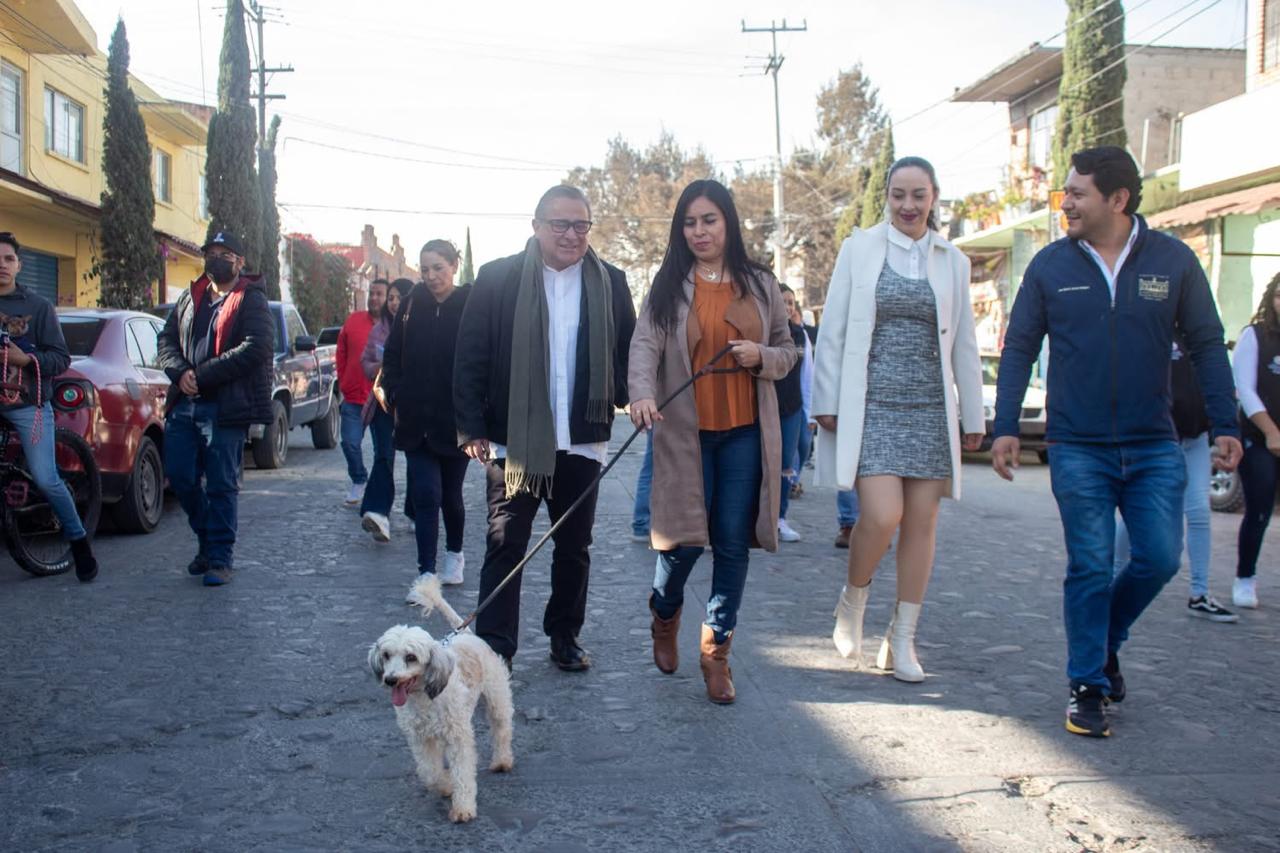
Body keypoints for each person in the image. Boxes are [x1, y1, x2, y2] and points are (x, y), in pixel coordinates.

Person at [992, 146, 1241, 738]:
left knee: (1159, 557)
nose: (1066, 203)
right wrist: (1005, 426)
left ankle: (1105, 642)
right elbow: (1019, 347)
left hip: (1155, 442)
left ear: (1117, 200)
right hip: (1077, 443)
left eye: (1076, 193)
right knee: (1091, 563)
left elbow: (1208, 345)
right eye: (1065, 193)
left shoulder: (1174, 261)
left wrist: (1227, 424)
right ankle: (1087, 683)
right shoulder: (1050, 266)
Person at [812, 156, 984, 683]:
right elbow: (835, 328)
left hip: (931, 407)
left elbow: (966, 343)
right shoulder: (859, 249)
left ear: (934, 197)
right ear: (887, 197)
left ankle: (902, 640)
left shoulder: (953, 260)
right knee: (882, 516)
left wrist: (972, 414)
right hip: (875, 405)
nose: (908, 205)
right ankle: (852, 602)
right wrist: (827, 399)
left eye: (919, 195)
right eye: (898, 195)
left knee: (923, 524)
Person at [453, 186, 635, 670]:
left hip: (582, 439)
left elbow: (628, 353)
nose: (572, 235)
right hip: (514, 440)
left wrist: (636, 395)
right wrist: (470, 427)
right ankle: (495, 648)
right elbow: (470, 357)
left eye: (581, 225)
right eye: (560, 224)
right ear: (536, 226)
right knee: (505, 542)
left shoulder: (611, 282)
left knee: (574, 547)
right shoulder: (497, 279)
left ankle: (564, 636)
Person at [629, 179, 797, 704]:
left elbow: (788, 349)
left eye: (709, 220)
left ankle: (716, 652)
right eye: (690, 222)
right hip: (685, 434)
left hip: (745, 433)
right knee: (683, 543)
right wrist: (640, 395)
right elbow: (643, 346)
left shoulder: (762, 283)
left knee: (730, 542)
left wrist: (761, 356)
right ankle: (664, 610)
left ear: (728, 223)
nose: (699, 231)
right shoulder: (667, 285)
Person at [157, 231, 274, 586]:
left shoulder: (250, 299)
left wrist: (203, 375)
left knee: (221, 484)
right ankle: (207, 541)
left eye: (225, 253)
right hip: (184, 403)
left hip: (225, 407)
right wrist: (180, 373)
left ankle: (219, 557)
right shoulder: (190, 298)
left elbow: (256, 348)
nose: (216, 258)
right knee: (180, 476)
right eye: (211, 252)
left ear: (240, 261)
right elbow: (166, 340)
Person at [1114, 333, 1237, 622]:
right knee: (1138, 512)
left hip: (1197, 436)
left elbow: (1219, 384)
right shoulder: (1154, 325)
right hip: (1158, 438)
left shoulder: (1202, 338)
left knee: (1198, 512)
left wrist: (1223, 428)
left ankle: (1200, 593)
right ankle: (1113, 576)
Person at [0, 232, 97, 582]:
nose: (2, 265)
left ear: (18, 265)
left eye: (8, 259)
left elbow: (60, 358)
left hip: (27, 403)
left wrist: (26, 358)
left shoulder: (38, 307)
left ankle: (79, 541)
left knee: (45, 477)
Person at [381, 244, 471, 582]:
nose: (431, 276)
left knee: (451, 496)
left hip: (455, 421)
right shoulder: (412, 302)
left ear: (454, 265)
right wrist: (395, 392)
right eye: (425, 269)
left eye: (438, 268)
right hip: (415, 419)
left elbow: (482, 357)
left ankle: (455, 554)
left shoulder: (469, 303)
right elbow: (392, 354)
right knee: (426, 494)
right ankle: (426, 573)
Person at [1230, 271, 1280, 609]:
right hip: (1260, 440)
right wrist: (1271, 431)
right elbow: (1244, 389)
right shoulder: (1256, 336)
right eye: (1279, 294)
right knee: (1259, 510)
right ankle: (1244, 578)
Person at [358, 277, 413, 542]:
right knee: (383, 456)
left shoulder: (423, 325)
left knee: (416, 460)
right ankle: (378, 513)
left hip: (414, 404)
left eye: (398, 297)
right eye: (390, 298)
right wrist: (380, 366)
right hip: (383, 403)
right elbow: (365, 362)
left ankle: (416, 511)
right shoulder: (379, 330)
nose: (393, 302)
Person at [335, 279, 387, 506]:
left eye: (380, 294)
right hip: (354, 398)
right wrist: (344, 381)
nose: (374, 298)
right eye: (372, 293)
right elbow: (341, 352)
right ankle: (359, 479)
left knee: (383, 453)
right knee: (349, 443)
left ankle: (378, 497)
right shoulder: (354, 320)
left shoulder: (392, 325)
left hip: (381, 402)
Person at [775, 284, 807, 543]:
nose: (787, 307)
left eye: (791, 303)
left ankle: (780, 517)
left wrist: (811, 412)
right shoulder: (763, 333)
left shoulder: (800, 334)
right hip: (764, 407)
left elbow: (808, 374)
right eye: (783, 301)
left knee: (789, 460)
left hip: (793, 407)